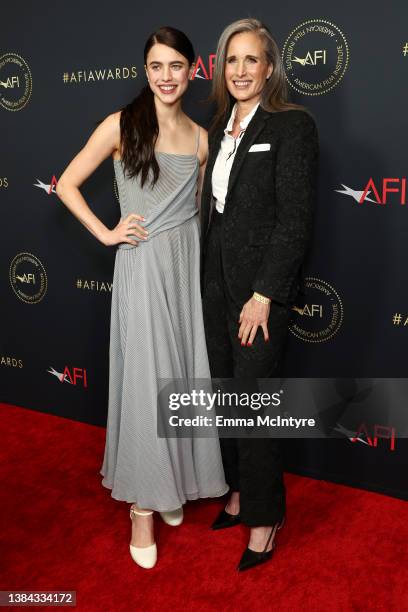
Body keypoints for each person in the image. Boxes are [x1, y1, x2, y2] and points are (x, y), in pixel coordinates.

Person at [56, 26, 228, 570]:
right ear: (146, 71)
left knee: (180, 375)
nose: (166, 76)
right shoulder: (120, 125)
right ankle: (141, 509)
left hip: (184, 268)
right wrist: (106, 232)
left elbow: (202, 211)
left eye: (176, 65)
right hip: (142, 263)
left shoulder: (203, 138)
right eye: (157, 66)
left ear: (192, 69)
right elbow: (66, 184)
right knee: (146, 380)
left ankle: (171, 481)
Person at [200, 18, 319, 571]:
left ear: (269, 67)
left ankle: (266, 519)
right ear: (221, 69)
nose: (241, 70)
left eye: (252, 60)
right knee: (228, 396)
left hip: (258, 296)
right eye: (232, 60)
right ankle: (240, 493)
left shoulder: (293, 125)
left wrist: (264, 294)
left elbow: (295, 221)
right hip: (216, 285)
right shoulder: (219, 122)